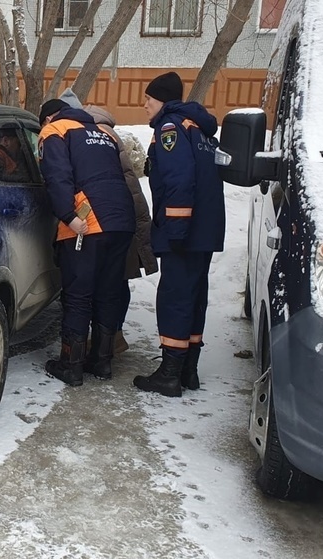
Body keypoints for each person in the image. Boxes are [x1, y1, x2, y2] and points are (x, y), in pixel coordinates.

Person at [132, 72, 226, 397]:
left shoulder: (170, 128)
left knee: (174, 297)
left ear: (163, 101)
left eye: (148, 99)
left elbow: (179, 180)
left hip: (184, 232)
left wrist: (176, 227)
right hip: (205, 231)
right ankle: (188, 370)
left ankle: (169, 375)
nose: (144, 105)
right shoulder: (198, 128)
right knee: (194, 296)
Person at [38, 98, 135, 386]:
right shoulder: (103, 132)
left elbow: (57, 177)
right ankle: (101, 362)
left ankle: (71, 365)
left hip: (88, 222)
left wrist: (67, 215)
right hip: (121, 219)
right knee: (108, 290)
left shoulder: (54, 131)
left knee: (78, 295)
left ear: (47, 118)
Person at [59, 89, 159, 367]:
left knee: (93, 287)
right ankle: (109, 343)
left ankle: (103, 343)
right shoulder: (107, 134)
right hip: (124, 217)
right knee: (114, 283)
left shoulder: (83, 135)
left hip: (101, 218)